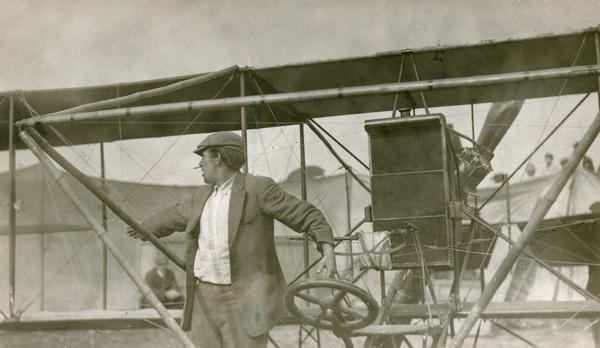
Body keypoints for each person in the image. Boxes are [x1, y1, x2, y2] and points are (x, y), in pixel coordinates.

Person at [127, 131, 336, 348]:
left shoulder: (258, 188)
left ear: (218, 158)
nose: (199, 164)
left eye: (203, 157)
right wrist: (143, 228)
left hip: (245, 298)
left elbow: (306, 215)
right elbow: (173, 215)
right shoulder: (202, 196)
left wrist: (328, 248)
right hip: (205, 296)